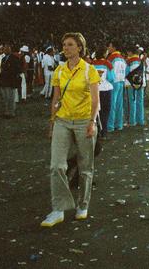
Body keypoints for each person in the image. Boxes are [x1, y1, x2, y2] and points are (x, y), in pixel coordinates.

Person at [41, 32, 100, 227]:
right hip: (62, 121)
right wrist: (51, 123)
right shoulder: (59, 71)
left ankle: (83, 204)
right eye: (64, 45)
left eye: (70, 45)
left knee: (85, 167)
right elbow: (56, 99)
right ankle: (59, 209)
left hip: (84, 121)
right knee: (56, 165)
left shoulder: (89, 70)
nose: (65, 48)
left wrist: (91, 122)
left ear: (80, 48)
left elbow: (95, 100)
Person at [91, 47, 114, 138]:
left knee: (95, 111)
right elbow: (111, 78)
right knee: (105, 111)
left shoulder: (92, 64)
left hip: (95, 90)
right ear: (104, 54)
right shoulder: (107, 63)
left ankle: (96, 131)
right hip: (106, 90)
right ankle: (104, 132)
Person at [106, 42, 126, 132]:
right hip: (121, 82)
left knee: (112, 104)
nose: (108, 48)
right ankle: (119, 124)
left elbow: (108, 71)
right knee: (119, 104)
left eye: (109, 46)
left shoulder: (111, 58)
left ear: (114, 47)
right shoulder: (122, 58)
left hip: (113, 82)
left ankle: (110, 126)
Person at [125, 47, 146, 127]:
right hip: (141, 84)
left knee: (132, 102)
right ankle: (140, 120)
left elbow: (126, 73)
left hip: (131, 84)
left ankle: (132, 121)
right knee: (140, 102)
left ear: (130, 52)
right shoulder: (141, 61)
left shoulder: (129, 61)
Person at [0, 45, 22, 118]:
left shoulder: (14, 58)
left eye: (7, 49)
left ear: (10, 50)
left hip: (11, 81)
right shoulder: (3, 59)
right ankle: (6, 112)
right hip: (4, 81)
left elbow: (17, 69)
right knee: (5, 98)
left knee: (11, 98)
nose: (5, 51)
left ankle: (11, 112)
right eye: (4, 49)